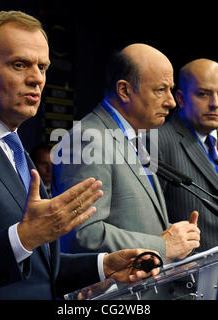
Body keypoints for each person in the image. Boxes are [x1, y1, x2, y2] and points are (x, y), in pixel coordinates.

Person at [0, 11, 161, 300]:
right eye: (19, 64)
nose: (36, 79)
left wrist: (103, 266)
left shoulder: (14, 148)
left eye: (43, 67)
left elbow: (38, 271)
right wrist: (25, 237)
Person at [52, 44, 201, 260]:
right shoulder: (87, 139)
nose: (171, 102)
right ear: (124, 91)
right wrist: (162, 245)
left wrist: (176, 240)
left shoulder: (136, 136)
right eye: (160, 90)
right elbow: (82, 235)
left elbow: (132, 221)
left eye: (170, 89)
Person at [157, 58, 218, 299]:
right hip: (190, 287)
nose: (214, 104)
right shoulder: (158, 140)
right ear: (180, 98)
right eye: (203, 94)